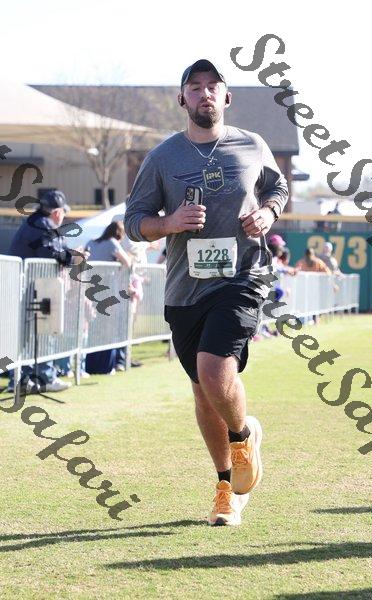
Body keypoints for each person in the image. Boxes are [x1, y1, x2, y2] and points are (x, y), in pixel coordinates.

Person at [125, 59, 288, 526]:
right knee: (202, 393)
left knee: (214, 372)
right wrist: (170, 222)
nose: (204, 94)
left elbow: (277, 188)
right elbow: (134, 222)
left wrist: (268, 214)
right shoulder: (163, 157)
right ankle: (226, 487)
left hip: (242, 277)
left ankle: (242, 438)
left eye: (213, 86)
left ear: (227, 97)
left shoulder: (251, 145)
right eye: (194, 87)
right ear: (182, 99)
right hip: (185, 289)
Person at [7, 189, 77, 393]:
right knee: (44, 331)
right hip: (32, 290)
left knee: (27, 335)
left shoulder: (37, 223)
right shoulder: (43, 225)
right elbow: (53, 254)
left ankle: (22, 379)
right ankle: (44, 378)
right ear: (57, 212)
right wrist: (73, 258)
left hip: (27, 288)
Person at [85, 221, 132, 374]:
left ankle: (91, 365)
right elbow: (128, 262)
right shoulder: (112, 243)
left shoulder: (91, 242)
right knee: (108, 328)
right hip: (107, 289)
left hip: (92, 288)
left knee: (94, 327)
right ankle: (105, 366)